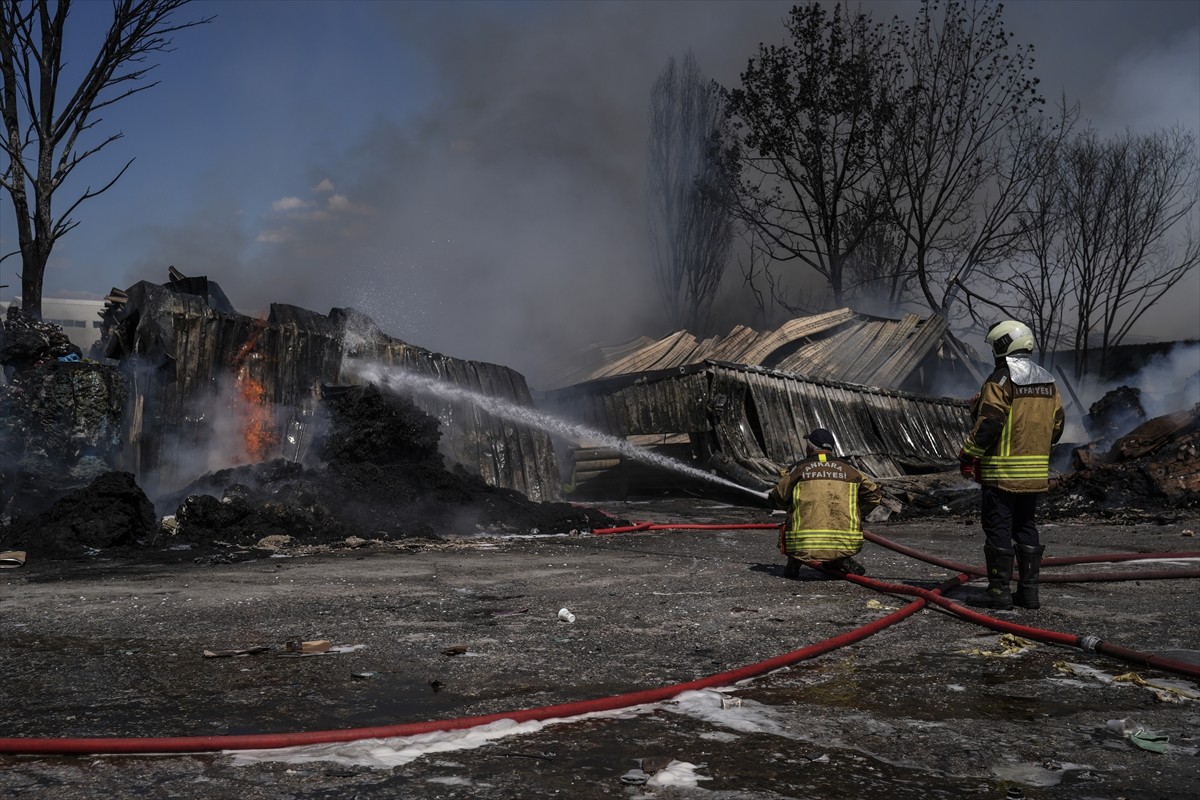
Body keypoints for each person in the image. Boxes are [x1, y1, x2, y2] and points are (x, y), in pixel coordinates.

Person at [959, 319, 1065, 610]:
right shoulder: (1048, 380)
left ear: (1003, 345)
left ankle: (998, 592)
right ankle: (1029, 593)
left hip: (1002, 474)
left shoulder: (1001, 379)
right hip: (1034, 475)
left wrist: (968, 454)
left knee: (998, 528)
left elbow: (990, 423)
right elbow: (1057, 425)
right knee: (1026, 526)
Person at [768, 427, 883, 579]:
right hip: (847, 543)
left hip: (802, 544)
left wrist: (793, 507)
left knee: (793, 511)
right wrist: (857, 513)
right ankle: (838, 559)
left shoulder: (798, 469)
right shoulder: (850, 470)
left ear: (810, 447)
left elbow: (777, 498)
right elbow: (874, 495)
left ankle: (794, 562)